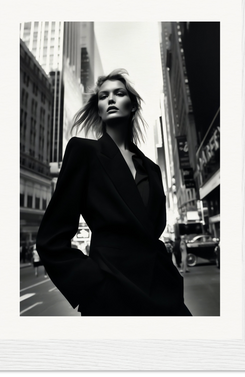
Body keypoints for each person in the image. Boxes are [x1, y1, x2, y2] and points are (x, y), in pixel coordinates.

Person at [36, 68, 191, 316]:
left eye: (118, 93)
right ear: (98, 108)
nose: (110, 99)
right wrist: (92, 282)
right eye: (103, 95)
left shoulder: (152, 169)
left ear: (133, 106)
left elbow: (153, 231)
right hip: (111, 295)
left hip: (163, 291)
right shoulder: (83, 152)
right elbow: (51, 239)